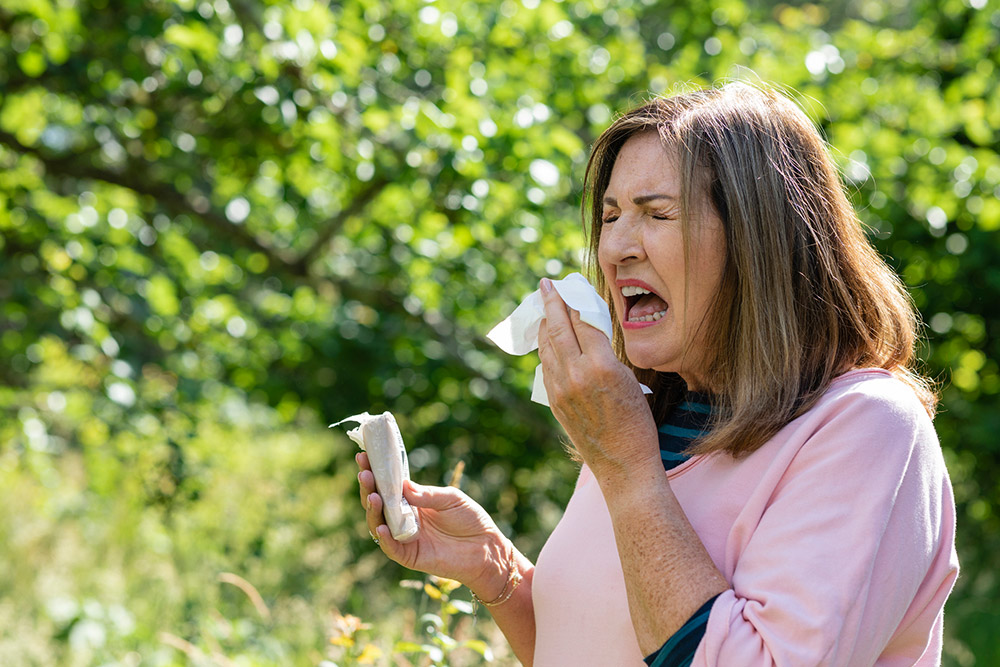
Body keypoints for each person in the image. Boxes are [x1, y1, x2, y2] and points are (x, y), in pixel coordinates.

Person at [356, 82, 959, 666]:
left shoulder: (864, 426)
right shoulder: (645, 422)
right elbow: (587, 648)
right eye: (611, 216)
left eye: (656, 214)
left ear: (756, 242)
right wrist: (497, 571)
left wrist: (628, 472)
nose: (615, 248)